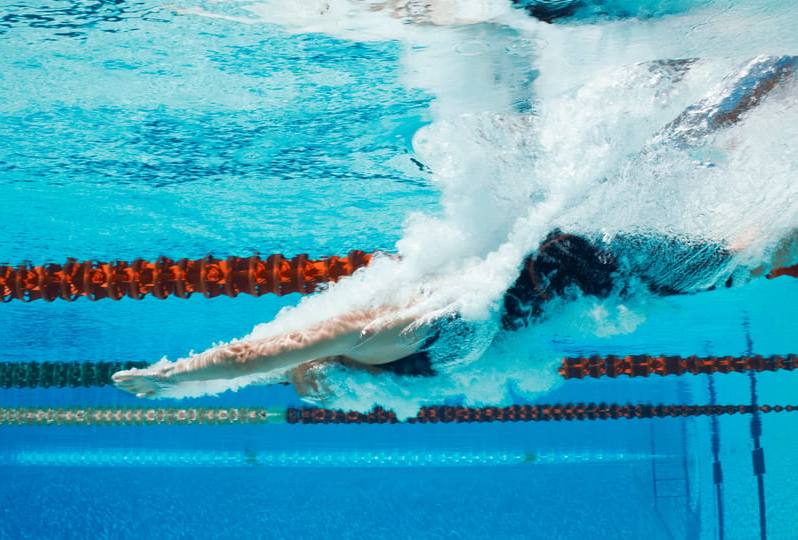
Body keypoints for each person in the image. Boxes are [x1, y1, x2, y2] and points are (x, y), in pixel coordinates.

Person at [113, 230, 797, 399]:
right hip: (600, 264)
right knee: (755, 250)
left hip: (602, 269)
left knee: (753, 252)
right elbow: (255, 357)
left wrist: (182, 379)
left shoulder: (404, 361)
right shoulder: (384, 337)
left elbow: (261, 360)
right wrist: (175, 378)